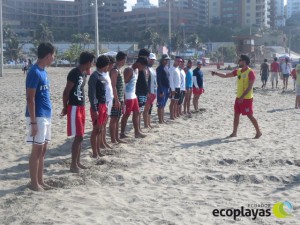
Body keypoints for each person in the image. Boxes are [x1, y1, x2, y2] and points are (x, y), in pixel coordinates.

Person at [25, 42, 55, 191]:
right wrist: (33, 122)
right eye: (53, 55)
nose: (53, 59)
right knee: (36, 150)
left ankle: (40, 181)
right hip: (37, 116)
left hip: (46, 115)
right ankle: (33, 183)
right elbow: (30, 98)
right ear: (48, 55)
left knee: (43, 150)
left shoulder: (44, 71)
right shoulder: (34, 71)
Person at [211, 54, 262, 139]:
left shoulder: (250, 72)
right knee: (236, 114)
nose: (238, 62)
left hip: (246, 98)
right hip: (238, 97)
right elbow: (226, 75)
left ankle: (258, 132)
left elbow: (250, 87)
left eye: (240, 60)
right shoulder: (238, 71)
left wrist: (242, 97)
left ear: (244, 62)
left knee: (249, 115)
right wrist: (216, 73)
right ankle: (234, 133)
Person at [61, 51, 94, 173]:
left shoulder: (84, 73)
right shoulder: (74, 73)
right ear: (88, 62)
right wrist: (65, 107)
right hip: (74, 107)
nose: (93, 64)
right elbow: (66, 92)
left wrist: (87, 69)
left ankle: (78, 162)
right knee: (78, 136)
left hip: (81, 106)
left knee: (81, 136)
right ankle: (73, 165)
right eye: (92, 62)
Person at [88, 55, 110, 158]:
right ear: (104, 65)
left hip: (103, 104)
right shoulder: (94, 76)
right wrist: (94, 108)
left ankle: (98, 151)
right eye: (107, 65)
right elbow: (91, 94)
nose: (108, 68)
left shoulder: (102, 75)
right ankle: (94, 152)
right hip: (97, 106)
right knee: (96, 129)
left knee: (100, 128)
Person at [121, 57, 148, 138]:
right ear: (139, 63)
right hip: (128, 95)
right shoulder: (129, 70)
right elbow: (124, 84)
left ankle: (137, 132)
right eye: (143, 66)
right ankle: (122, 133)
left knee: (136, 113)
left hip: (133, 95)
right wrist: (124, 96)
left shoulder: (136, 70)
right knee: (126, 114)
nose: (143, 68)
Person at [109, 51, 127, 144]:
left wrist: (123, 98)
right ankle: (113, 139)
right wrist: (116, 100)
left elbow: (122, 86)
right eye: (125, 59)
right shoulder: (114, 70)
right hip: (114, 98)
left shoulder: (120, 70)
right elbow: (113, 86)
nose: (125, 61)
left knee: (118, 118)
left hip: (119, 98)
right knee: (114, 118)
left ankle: (116, 138)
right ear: (122, 59)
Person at [99, 55, 115, 150]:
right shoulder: (101, 75)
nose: (112, 67)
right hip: (104, 101)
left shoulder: (107, 74)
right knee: (102, 123)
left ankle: (103, 141)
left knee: (105, 123)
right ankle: (101, 142)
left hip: (109, 100)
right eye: (111, 65)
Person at [136, 48, 150, 131]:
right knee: (138, 111)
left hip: (144, 91)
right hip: (139, 91)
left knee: (141, 110)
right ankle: (138, 128)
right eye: (147, 56)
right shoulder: (138, 65)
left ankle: (139, 127)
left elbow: (146, 79)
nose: (148, 58)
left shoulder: (145, 65)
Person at [144, 53, 157, 129]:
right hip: (149, 91)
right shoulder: (146, 68)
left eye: (153, 60)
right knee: (146, 109)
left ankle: (149, 123)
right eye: (151, 59)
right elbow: (146, 81)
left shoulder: (152, 68)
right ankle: (146, 124)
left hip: (153, 91)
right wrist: (148, 92)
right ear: (148, 59)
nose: (152, 61)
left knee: (150, 108)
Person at [156, 54, 170, 124]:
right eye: (165, 60)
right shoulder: (159, 68)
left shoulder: (166, 67)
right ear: (162, 60)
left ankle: (162, 119)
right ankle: (160, 120)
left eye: (167, 60)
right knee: (160, 105)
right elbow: (158, 80)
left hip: (166, 88)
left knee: (163, 105)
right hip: (161, 88)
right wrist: (161, 90)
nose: (167, 61)